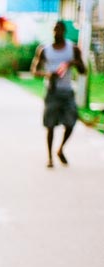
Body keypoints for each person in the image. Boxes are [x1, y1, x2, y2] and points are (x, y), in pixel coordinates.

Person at [31, 20, 86, 168]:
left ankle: (60, 149)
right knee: (50, 125)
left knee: (70, 122)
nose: (57, 32)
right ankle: (49, 157)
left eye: (59, 29)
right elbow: (34, 71)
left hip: (67, 92)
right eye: (54, 29)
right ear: (52, 31)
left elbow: (83, 71)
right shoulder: (44, 49)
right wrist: (47, 74)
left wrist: (74, 63)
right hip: (52, 91)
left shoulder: (72, 49)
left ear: (64, 31)